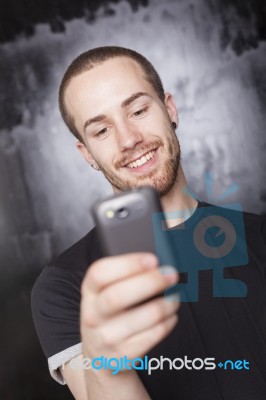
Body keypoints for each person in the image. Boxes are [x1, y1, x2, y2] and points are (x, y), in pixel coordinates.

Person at [31, 46, 266, 400]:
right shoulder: (64, 286)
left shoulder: (260, 237)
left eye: (139, 110)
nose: (129, 140)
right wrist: (105, 362)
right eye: (101, 131)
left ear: (169, 109)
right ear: (88, 155)